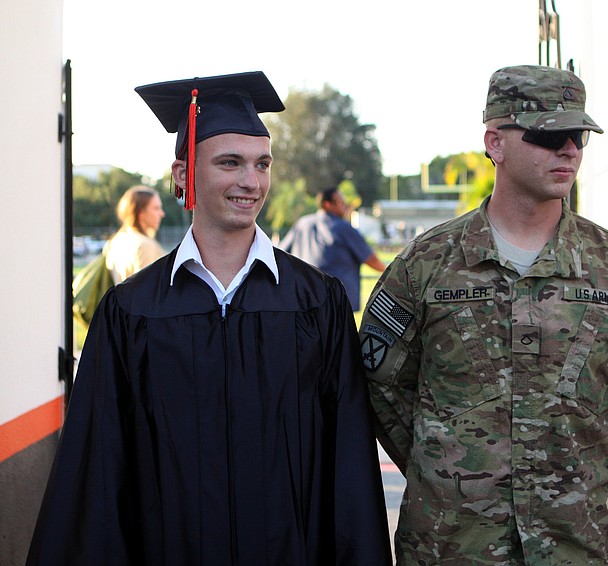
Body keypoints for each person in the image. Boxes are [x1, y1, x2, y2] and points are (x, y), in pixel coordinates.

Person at [28, 71, 392, 566]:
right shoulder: (132, 310)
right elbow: (99, 470)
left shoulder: (316, 303)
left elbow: (348, 464)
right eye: (230, 162)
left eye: (262, 164)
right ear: (183, 175)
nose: (251, 181)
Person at [358, 64, 608, 565]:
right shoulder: (427, 264)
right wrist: (444, 465)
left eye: (577, 136)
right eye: (547, 135)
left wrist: (583, 473)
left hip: (573, 547)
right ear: (496, 142)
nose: (568, 150)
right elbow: (379, 385)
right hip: (452, 548)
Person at [280, 187, 385, 311]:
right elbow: (371, 259)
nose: (345, 206)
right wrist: (391, 273)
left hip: (302, 299)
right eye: (340, 202)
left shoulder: (302, 223)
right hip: (335, 302)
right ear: (327, 204)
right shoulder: (343, 227)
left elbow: (280, 253)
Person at [103, 185, 166, 283]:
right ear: (140, 212)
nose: (162, 214)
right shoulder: (144, 245)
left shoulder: (115, 241)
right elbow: (147, 292)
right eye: (156, 208)